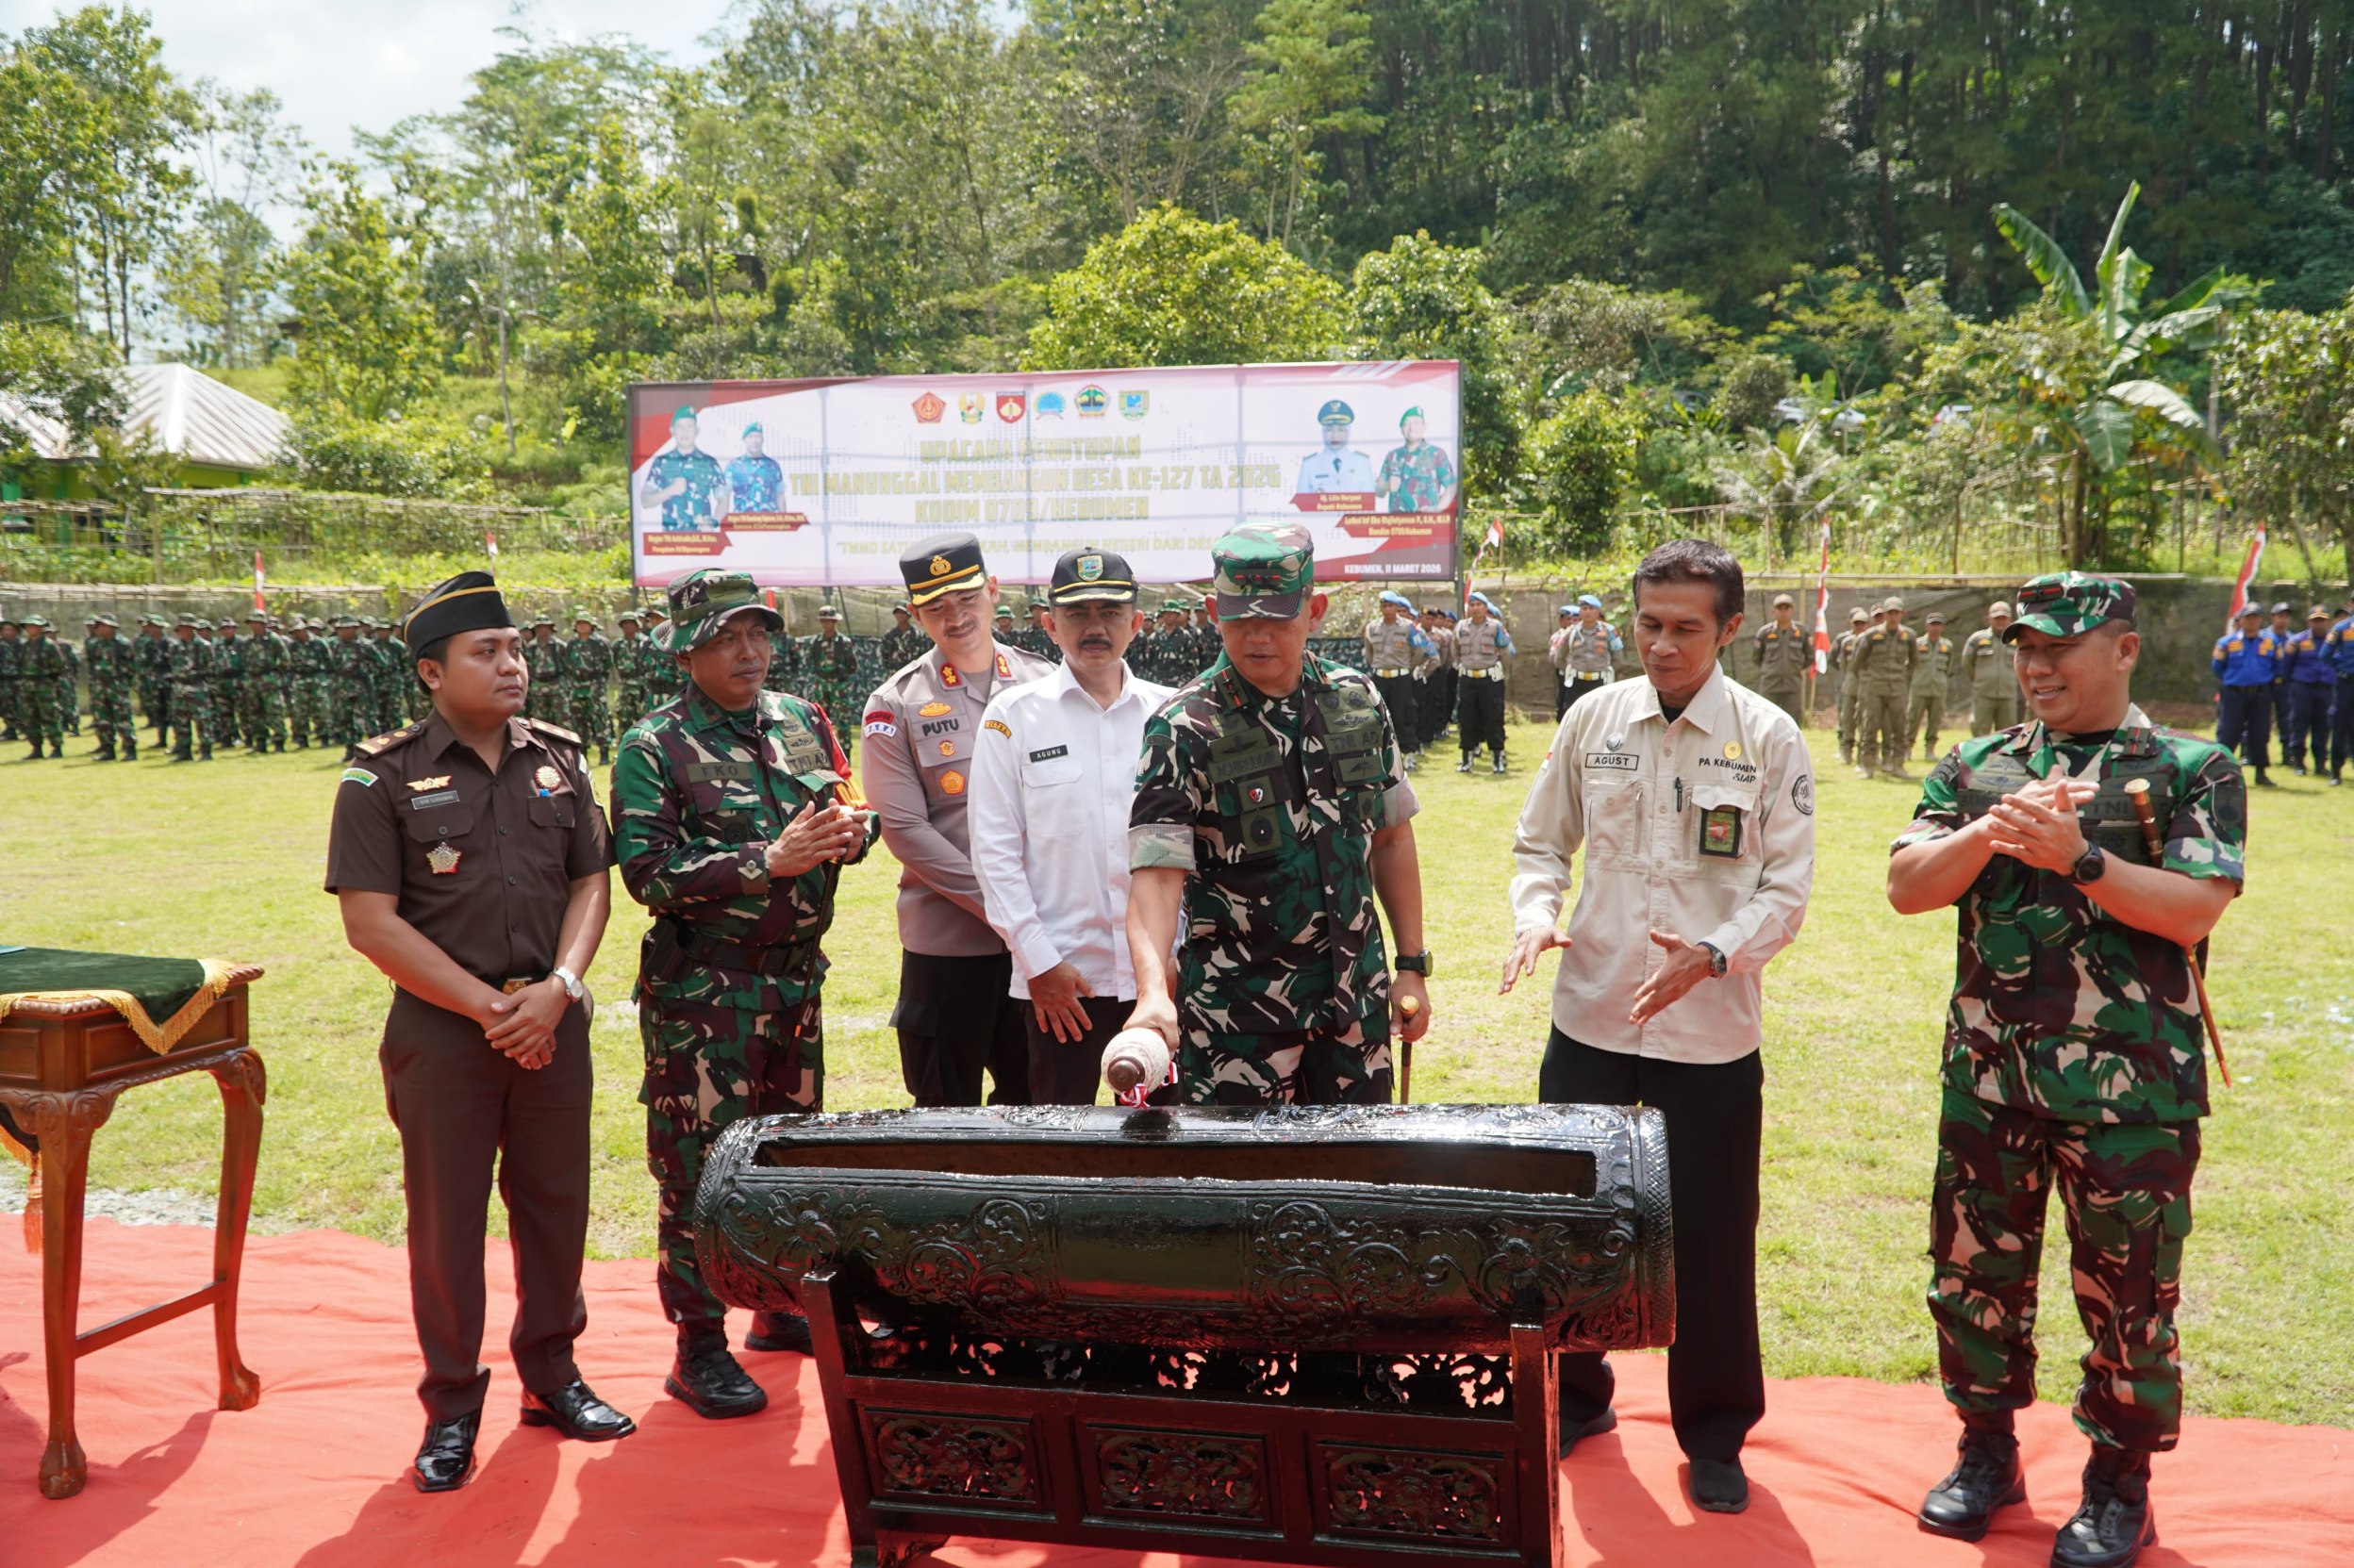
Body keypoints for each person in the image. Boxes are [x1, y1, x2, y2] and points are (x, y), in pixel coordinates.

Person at [1886, 572, 2243, 1568]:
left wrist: (2081, 857)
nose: (2038, 668)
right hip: (1989, 1078)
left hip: (2133, 1092)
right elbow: (1906, 886)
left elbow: (2195, 907)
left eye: (2060, 648)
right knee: (1973, 1279)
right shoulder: (1978, 764)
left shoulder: (2192, 767)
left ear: (2124, 650)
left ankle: (2119, 1484)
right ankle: (1985, 1451)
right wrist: (1990, 828)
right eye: (2026, 650)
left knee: (2129, 1298)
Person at [1500, 537, 1814, 1517]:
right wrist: (1534, 913)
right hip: (1591, 1014)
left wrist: (1713, 954)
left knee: (1713, 1237)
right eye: (1649, 624)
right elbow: (1540, 843)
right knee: (1574, 1225)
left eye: (1686, 627)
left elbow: (1786, 889)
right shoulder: (1593, 718)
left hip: (1709, 1034)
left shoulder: (1767, 737)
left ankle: (1714, 1432)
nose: (1663, 645)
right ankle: (1576, 1396)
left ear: (1730, 629)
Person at [325, 570, 633, 1494]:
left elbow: (591, 882)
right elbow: (370, 922)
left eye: (516, 648)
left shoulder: (561, 758)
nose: (512, 665)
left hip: (552, 1024)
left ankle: (552, 1374)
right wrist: (493, 1009)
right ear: (431, 670)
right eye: (486, 651)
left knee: (556, 1208)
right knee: (446, 1225)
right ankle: (452, 1404)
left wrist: (561, 988)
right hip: (446, 1037)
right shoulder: (379, 775)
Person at [610, 567, 874, 1418]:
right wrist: (770, 859)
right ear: (685, 652)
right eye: (726, 638)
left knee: (784, 1158)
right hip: (706, 998)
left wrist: (852, 833)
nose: (749, 651)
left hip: (796, 984)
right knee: (698, 1170)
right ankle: (697, 1346)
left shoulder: (803, 719)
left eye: (758, 633)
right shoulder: (654, 745)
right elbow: (648, 873)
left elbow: (845, 804)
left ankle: (775, 1305)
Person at [1125, 521, 1431, 1105]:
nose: (1258, 635)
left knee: (1358, 1160)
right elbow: (1157, 876)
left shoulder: (1358, 701)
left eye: (1277, 618)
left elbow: (1391, 838)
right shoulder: (1182, 727)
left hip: (1355, 1010)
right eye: (1240, 618)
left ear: (1314, 611)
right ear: (1214, 612)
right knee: (1242, 1166)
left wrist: (1411, 963)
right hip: (1238, 1022)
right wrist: (1151, 991)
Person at [970, 547, 1172, 1104]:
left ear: (1136, 622)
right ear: (1049, 624)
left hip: (1160, 979)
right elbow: (993, 852)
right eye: (1077, 613)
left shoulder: (1170, 715)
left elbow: (1192, 848)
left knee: (1164, 1134)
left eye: (1110, 613)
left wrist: (1174, 959)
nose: (1094, 627)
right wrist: (1039, 963)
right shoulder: (1012, 717)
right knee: (1064, 1138)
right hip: (1063, 983)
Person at [862, 532, 1053, 1107]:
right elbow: (905, 832)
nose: (956, 616)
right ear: (915, 613)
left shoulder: (1047, 685)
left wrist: (1028, 925)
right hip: (949, 948)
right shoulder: (895, 702)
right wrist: (1006, 908)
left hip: (1042, 943)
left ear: (993, 591)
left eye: (967, 598)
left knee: (1040, 1106)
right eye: (936, 606)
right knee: (943, 1113)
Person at [1361, 590, 1434, 773]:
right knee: (1377, 717)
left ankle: (1408, 754)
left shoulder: (1408, 627)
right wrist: (1376, 666)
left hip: (1400, 678)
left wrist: (1408, 667)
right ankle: (1380, 755)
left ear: (1396, 607)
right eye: (1384, 605)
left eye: (1390, 606)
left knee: (1404, 716)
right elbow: (1369, 652)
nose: (1387, 609)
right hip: (1380, 678)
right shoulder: (1372, 627)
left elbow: (1420, 650)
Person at [2213, 602, 2279, 787]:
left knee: (2260, 732)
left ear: (2260, 620)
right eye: (2248, 617)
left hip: (2260, 694)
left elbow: (2277, 666)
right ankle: (2220, 772)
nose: (2251, 621)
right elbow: (2217, 668)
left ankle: (2261, 772)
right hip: (2234, 694)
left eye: (2255, 617)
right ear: (2240, 620)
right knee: (2229, 732)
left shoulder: (2270, 642)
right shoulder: (2226, 643)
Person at [1851, 597, 1917, 780]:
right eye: (1890, 613)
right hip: (1875, 687)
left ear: (1902, 614)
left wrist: (1902, 679)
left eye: (1896, 613)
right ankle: (1868, 765)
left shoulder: (1909, 636)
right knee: (1870, 727)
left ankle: (1898, 765)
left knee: (1899, 727)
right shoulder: (1871, 636)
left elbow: (1914, 662)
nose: (1893, 616)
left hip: (1897, 688)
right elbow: (1858, 662)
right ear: (1885, 614)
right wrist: (1868, 679)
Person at [1454, 591, 1515, 773]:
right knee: (1466, 718)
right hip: (1468, 678)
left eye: (1479, 605)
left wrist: (1501, 672)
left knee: (1493, 718)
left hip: (1490, 679)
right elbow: (1455, 650)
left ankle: (1497, 758)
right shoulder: (1461, 627)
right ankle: (1466, 758)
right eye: (1472, 605)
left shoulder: (1495, 627)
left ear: (1485, 607)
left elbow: (1505, 651)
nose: (1475, 608)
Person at [641, 405, 725, 531]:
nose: (684, 432)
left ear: (697, 431)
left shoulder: (709, 462)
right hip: (671, 539)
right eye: (679, 426)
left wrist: (713, 522)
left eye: (689, 426)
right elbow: (645, 501)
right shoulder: (661, 462)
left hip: (703, 539)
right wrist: (670, 490)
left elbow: (724, 498)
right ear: (672, 431)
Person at [801, 605, 862, 763]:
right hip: (821, 685)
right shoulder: (815, 642)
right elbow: (811, 662)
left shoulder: (844, 642)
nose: (826, 624)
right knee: (819, 720)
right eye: (824, 621)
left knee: (843, 721)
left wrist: (840, 675)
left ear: (835, 622)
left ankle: (845, 757)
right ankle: (822, 755)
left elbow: (852, 665)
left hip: (839, 685)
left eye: (829, 621)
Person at [2279, 605, 2334, 775]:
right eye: (2316, 620)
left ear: (2327, 622)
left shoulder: (2333, 641)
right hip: (2302, 688)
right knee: (2299, 724)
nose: (2319, 624)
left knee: (2322, 725)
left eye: (2322, 620)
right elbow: (2286, 667)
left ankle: (2320, 763)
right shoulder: (2297, 641)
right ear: (2308, 622)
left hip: (2326, 688)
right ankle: (2298, 762)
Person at [1376, 406, 1457, 514]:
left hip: (1426, 521)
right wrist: (1386, 486)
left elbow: (1452, 485)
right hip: (1396, 521)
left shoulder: (1436, 454)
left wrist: (1437, 509)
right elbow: (1378, 491)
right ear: (1401, 429)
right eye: (1407, 424)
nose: (1411, 428)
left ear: (1424, 426)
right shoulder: (1392, 456)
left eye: (1416, 423)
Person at [82, 613, 136, 761]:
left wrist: (122, 680)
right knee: (103, 719)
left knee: (123, 718)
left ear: (112, 627)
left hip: (117, 686)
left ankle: (130, 749)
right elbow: (91, 664)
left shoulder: (122, 644)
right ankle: (108, 749)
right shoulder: (94, 645)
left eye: (102, 626)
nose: (99, 629)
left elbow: (132, 666)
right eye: (98, 626)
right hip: (100, 687)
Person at [1555, 594, 1620, 718]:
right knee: (1573, 717)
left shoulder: (1609, 631)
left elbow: (1618, 657)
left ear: (1598, 611)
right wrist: (1571, 671)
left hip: (1600, 682)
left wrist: (1606, 671)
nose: (1588, 612)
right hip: (1576, 682)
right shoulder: (1572, 632)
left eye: (1591, 608)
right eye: (1584, 609)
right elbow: (1559, 658)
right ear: (1580, 611)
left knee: (1601, 716)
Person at [1750, 592, 1809, 727]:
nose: (1783, 612)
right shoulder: (1765, 633)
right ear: (1773, 611)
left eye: (1786, 608)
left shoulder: (1802, 632)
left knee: (1793, 724)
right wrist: (1770, 670)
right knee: (1766, 722)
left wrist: (1794, 669)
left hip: (1792, 685)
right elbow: (1756, 657)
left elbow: (1809, 657)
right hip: (1770, 685)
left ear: (1792, 610)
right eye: (1779, 608)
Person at [564, 611, 615, 766]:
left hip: (595, 685)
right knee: (579, 720)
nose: (582, 626)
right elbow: (566, 663)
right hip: (577, 687)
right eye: (580, 623)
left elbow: (608, 663)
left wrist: (599, 680)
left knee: (599, 718)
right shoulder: (571, 643)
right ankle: (582, 752)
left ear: (591, 626)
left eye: (585, 623)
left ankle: (604, 752)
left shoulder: (600, 643)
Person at [1962, 602, 2019, 735]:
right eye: (1997, 618)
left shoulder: (2017, 640)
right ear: (1989, 619)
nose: (2000, 621)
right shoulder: (1977, 639)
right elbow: (1967, 662)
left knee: (2008, 735)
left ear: (2010, 619)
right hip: (1983, 695)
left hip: (2008, 695)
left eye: (2004, 618)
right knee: (1980, 733)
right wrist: (1980, 680)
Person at [1297, 399, 1376, 494]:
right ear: (1323, 432)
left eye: (1341, 430)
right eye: (1329, 430)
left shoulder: (1362, 463)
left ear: (1348, 432)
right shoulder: (1309, 465)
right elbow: (1302, 501)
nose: (1335, 435)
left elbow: (1369, 501)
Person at [165, 614, 215, 762]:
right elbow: (173, 665)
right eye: (182, 628)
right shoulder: (175, 647)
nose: (184, 631)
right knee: (180, 720)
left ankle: (206, 751)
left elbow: (212, 668)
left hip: (198, 688)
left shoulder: (204, 646)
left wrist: (197, 675)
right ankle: (184, 751)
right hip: (180, 688)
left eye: (187, 628)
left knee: (203, 720)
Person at [240, 610, 290, 753]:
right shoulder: (248, 641)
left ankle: (279, 742)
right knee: (255, 712)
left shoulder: (273, 639)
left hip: (269, 680)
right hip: (252, 681)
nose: (254, 626)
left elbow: (285, 659)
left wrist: (275, 674)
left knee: (274, 711)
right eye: (252, 623)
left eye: (257, 623)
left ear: (263, 624)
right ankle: (260, 742)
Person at [16, 617, 66, 759]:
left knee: (49, 716)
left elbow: (59, 665)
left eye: (33, 626)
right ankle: (36, 748)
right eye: (28, 626)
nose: (30, 629)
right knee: (30, 717)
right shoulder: (25, 646)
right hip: (27, 685)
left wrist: (51, 680)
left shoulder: (49, 645)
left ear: (40, 628)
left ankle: (56, 747)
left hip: (44, 685)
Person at [1908, 611, 1954, 761]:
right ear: (1926, 626)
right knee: (1913, 719)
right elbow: (1909, 666)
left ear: (1943, 627)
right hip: (1919, 688)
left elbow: (1949, 667)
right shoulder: (1917, 644)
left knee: (1935, 721)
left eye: (1938, 624)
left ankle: (1930, 749)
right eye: (1932, 624)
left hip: (1938, 689)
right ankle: (1907, 748)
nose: (1935, 627)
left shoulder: (1947, 646)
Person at [721, 421, 785, 515]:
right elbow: (724, 496)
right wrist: (723, 520)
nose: (754, 441)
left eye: (757, 437)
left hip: (769, 520)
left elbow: (779, 495)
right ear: (744, 440)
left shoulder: (772, 465)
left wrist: (784, 519)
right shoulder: (734, 465)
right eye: (750, 437)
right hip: (742, 520)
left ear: (762, 439)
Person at [1834, 605, 1870, 766]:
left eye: (1862, 623)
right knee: (1847, 720)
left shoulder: (1872, 640)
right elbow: (1843, 665)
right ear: (1851, 624)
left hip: (1867, 687)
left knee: (1865, 722)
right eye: (1857, 623)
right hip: (1850, 685)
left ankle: (1863, 755)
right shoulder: (1846, 642)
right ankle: (1846, 752)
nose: (1859, 626)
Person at [1420, 604, 1457, 751]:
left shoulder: (1441, 636)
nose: (1429, 621)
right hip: (1415, 671)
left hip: (1434, 672)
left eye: (1432, 619)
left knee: (1432, 704)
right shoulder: (1413, 632)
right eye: (1426, 618)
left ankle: (1428, 736)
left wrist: (1440, 669)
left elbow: (1446, 656)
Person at [2328, 598, 2354, 785]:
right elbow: (2325, 654)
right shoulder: (2341, 628)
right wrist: (2342, 666)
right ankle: (2336, 771)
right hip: (2346, 683)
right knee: (2340, 726)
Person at [879, 601, 927, 673]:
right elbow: (884, 656)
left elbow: (925, 655)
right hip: (895, 674)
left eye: (903, 612)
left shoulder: (918, 634)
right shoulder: (889, 635)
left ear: (908, 614)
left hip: (914, 673)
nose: (900, 615)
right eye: (897, 612)